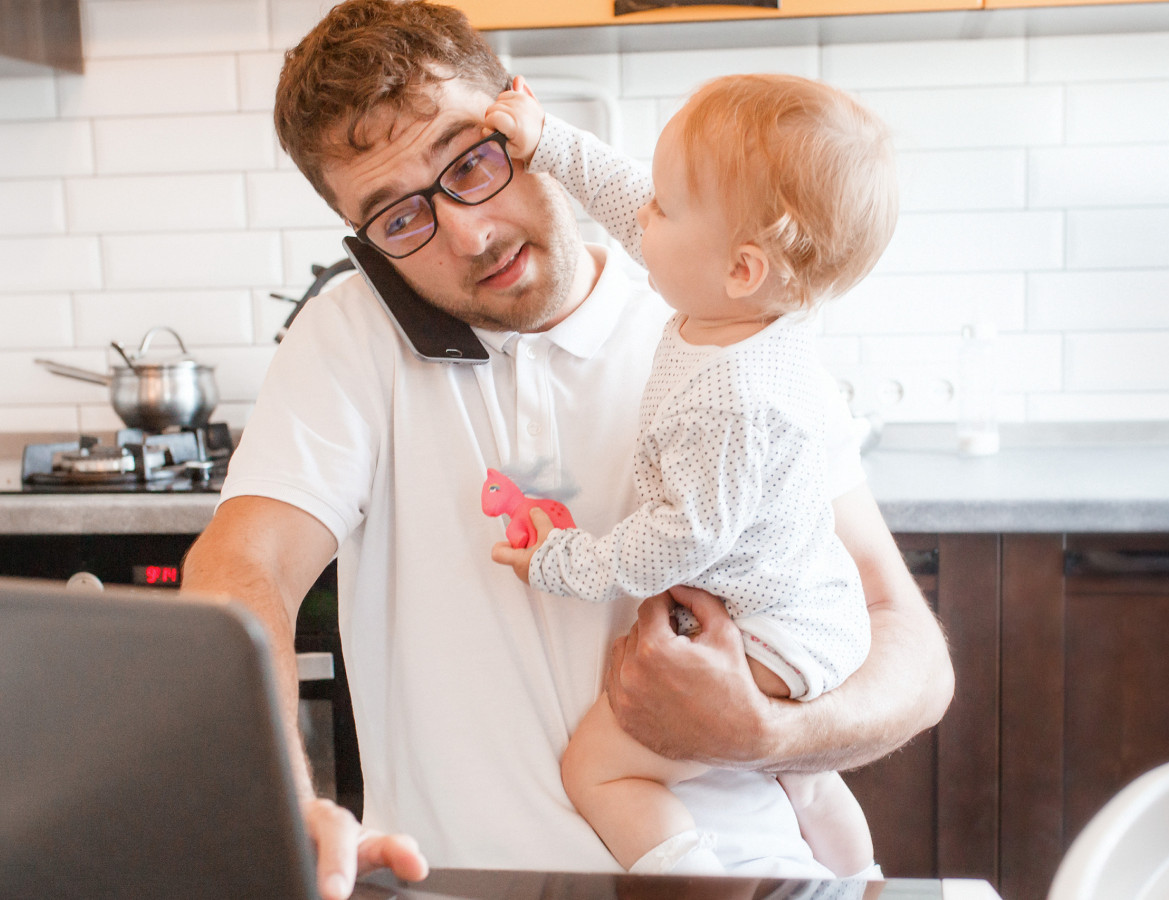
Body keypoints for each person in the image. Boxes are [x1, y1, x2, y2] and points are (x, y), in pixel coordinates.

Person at [178, 1, 955, 898]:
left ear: (522, 118)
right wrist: (278, 800)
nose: (470, 233)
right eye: (399, 219)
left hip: (747, 881)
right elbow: (246, 567)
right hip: (464, 884)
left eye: (472, 161)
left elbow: (908, 647)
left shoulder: (723, 325)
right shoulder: (349, 338)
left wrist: (764, 735)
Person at [485, 75, 895, 878]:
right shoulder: (743, 308)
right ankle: (864, 882)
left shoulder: (731, 398)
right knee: (806, 784)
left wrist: (562, 562)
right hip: (812, 610)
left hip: (772, 634)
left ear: (741, 266)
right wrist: (548, 143)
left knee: (600, 768)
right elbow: (627, 193)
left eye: (665, 207)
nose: (643, 214)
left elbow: (680, 539)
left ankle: (695, 887)